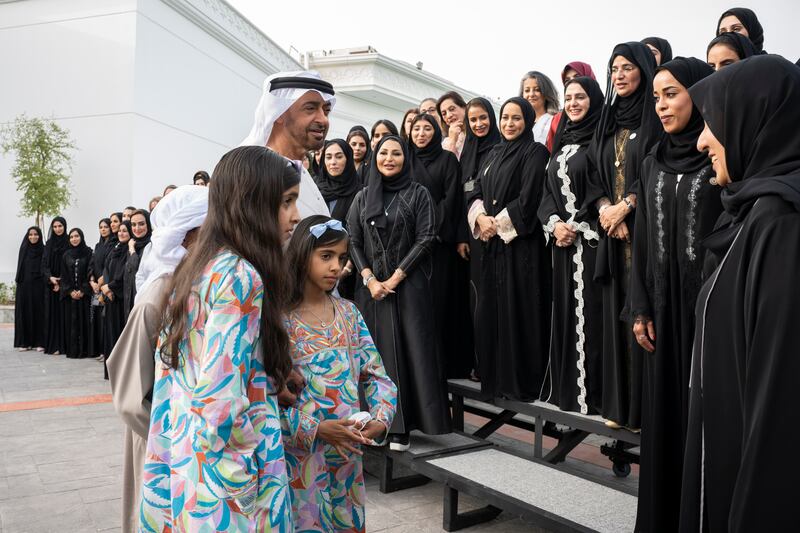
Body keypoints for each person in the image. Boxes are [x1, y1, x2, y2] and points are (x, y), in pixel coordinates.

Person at [139, 146, 300, 531]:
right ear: (254, 205)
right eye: (287, 202)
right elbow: (219, 398)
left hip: (185, 463)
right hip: (225, 483)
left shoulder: (196, 267)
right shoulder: (240, 275)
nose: (295, 215)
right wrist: (239, 477)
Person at [680, 55, 800, 533]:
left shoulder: (781, 223)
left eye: (713, 123)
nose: (703, 140)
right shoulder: (751, 212)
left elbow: (778, 405)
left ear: (756, 121)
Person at [628, 57, 720, 533]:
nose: (661, 105)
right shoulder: (651, 159)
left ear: (700, 94)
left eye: (672, 94)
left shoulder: (722, 155)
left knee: (701, 419)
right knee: (664, 419)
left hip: (705, 311)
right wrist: (639, 306)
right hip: (662, 311)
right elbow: (643, 239)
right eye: (657, 96)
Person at [281, 215, 397, 532]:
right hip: (299, 466)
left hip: (347, 464)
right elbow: (263, 399)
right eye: (326, 256)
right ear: (302, 254)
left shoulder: (349, 313)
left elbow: (377, 377)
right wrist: (316, 429)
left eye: (342, 258)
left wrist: (380, 418)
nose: (336, 267)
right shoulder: (279, 321)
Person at [107, 185, 208, 533]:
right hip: (158, 444)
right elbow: (130, 399)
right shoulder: (156, 297)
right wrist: (173, 438)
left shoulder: (196, 289)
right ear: (190, 235)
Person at [347, 135, 451, 451]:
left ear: (406, 158)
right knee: (373, 357)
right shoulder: (363, 197)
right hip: (370, 292)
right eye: (384, 153)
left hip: (409, 288)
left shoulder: (418, 193)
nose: (389, 158)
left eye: (396, 153)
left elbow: (427, 237)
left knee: (409, 354)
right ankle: (371, 423)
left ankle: (401, 429)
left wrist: (394, 279)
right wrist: (369, 279)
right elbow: (352, 239)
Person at [588, 41, 661, 430]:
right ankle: (620, 407)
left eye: (627, 67)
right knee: (615, 316)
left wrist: (628, 205)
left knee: (642, 314)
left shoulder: (654, 115)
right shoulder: (609, 118)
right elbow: (595, 174)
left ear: (644, 70)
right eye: (614, 68)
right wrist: (605, 209)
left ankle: (644, 411)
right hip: (612, 233)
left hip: (643, 229)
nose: (619, 74)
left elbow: (655, 166)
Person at [466, 97, 551, 401]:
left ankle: (522, 384)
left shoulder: (535, 152)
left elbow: (528, 200)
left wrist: (496, 225)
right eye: (505, 118)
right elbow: (474, 189)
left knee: (519, 312)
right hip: (491, 249)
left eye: (516, 118)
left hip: (520, 250)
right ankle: (496, 380)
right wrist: (480, 219)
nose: (509, 124)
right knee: (492, 312)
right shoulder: (493, 152)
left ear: (527, 121)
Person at [537, 77, 605, 414]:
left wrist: (578, 224)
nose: (574, 103)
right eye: (569, 98)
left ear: (593, 100)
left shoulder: (601, 141)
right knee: (567, 316)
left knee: (592, 317)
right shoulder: (561, 143)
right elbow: (546, 192)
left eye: (581, 97)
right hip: (562, 245)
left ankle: (593, 397)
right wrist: (554, 223)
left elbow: (601, 187)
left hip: (591, 244)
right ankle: (568, 395)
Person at [409, 113, 472, 378]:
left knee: (440, 302)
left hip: (439, 240)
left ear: (436, 132)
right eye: (416, 129)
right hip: (410, 243)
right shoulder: (406, 159)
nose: (421, 134)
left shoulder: (447, 159)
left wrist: (430, 225)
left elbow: (452, 197)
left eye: (427, 129)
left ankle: (443, 365)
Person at [242, 70, 336, 219]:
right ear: (278, 112)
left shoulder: (298, 169)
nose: (323, 119)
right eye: (310, 108)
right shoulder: (253, 172)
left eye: (326, 111)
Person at [460, 97, 501, 380]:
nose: (478, 124)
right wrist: (463, 236)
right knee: (476, 300)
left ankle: (496, 363)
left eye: (483, 117)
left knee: (495, 299)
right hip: (473, 233)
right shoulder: (467, 151)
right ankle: (479, 363)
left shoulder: (500, 148)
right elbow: (461, 194)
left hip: (498, 231)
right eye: (473, 119)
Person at [316, 139, 362, 299]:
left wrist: (347, 268)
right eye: (328, 157)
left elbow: (359, 234)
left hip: (345, 271)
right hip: (314, 268)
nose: (333, 162)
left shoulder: (359, 192)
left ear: (348, 159)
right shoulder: (316, 189)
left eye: (338, 156)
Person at [101, 220, 131, 376]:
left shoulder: (130, 250)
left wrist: (111, 287)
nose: (121, 233)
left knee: (120, 335)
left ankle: (120, 373)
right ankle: (111, 371)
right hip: (110, 298)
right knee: (111, 334)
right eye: (120, 231)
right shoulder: (115, 249)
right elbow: (106, 269)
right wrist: (106, 288)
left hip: (121, 300)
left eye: (125, 231)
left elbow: (125, 273)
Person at [548, 62, 598, 151]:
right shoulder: (558, 120)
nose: (572, 81)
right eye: (567, 80)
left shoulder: (606, 117)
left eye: (577, 76)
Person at [60, 228, 93, 359]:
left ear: (81, 237)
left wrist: (83, 290)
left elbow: (90, 272)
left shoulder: (89, 252)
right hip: (70, 296)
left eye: (77, 236)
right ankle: (72, 350)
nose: (74, 239)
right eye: (72, 237)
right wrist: (69, 291)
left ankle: (85, 350)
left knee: (84, 323)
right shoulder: (66, 255)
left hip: (84, 295)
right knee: (72, 323)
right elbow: (64, 275)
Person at [14, 226, 45, 351]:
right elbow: (20, 268)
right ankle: (24, 342)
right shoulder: (24, 249)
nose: (33, 237)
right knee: (24, 313)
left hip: (39, 286)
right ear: (27, 236)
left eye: (36, 234)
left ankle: (39, 342)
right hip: (24, 287)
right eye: (30, 234)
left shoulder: (43, 250)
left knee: (39, 313)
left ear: (40, 236)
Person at [42, 216, 68, 355]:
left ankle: (64, 345)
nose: (58, 229)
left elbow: (72, 261)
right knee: (52, 315)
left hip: (66, 285)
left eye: (60, 226)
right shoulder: (49, 244)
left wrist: (62, 281)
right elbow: (44, 265)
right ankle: (54, 345)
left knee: (64, 316)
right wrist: (51, 278)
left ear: (65, 226)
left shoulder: (70, 241)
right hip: (51, 286)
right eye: (55, 226)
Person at [90, 218, 114, 360]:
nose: (103, 229)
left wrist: (101, 281)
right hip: (96, 287)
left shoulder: (113, 245)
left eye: (106, 226)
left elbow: (109, 265)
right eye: (101, 227)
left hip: (106, 286)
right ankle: (101, 351)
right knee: (98, 319)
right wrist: (92, 280)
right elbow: (92, 264)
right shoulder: (98, 246)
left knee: (106, 319)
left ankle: (107, 352)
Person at [123, 210, 151, 317]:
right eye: (133, 224)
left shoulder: (151, 245)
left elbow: (136, 268)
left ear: (148, 224)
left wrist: (132, 250)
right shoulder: (134, 244)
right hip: (129, 300)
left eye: (141, 224)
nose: (137, 228)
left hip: (144, 300)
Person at [519, 71, 559, 145]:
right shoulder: (517, 121)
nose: (531, 94)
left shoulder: (554, 121)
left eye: (537, 90)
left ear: (546, 92)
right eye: (527, 90)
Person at [437, 91, 468, 159]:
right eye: (444, 113)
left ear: (464, 108)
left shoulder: (477, 132)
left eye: (452, 109)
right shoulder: (445, 143)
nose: (449, 115)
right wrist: (452, 140)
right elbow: (446, 166)